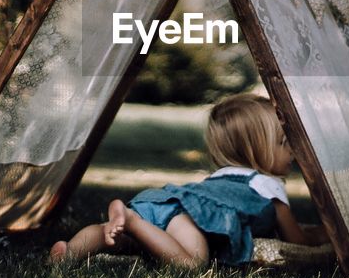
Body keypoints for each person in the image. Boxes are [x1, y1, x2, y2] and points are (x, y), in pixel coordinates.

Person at [49, 93, 329, 267]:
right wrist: (321, 236)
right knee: (192, 263)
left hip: (162, 200)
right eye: (283, 143)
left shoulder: (219, 179)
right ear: (258, 150)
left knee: (117, 238)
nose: (292, 150)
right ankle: (132, 221)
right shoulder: (268, 186)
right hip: (185, 219)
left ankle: (71, 250)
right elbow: (296, 240)